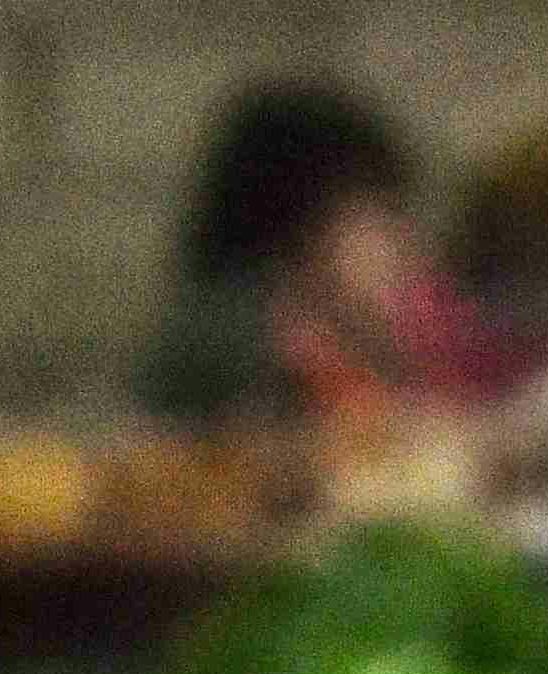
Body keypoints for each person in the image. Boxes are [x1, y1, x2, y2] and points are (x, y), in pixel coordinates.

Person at [133, 83, 477, 430]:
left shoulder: (275, 336)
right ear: (306, 232)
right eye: (385, 216)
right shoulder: (251, 348)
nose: (407, 246)